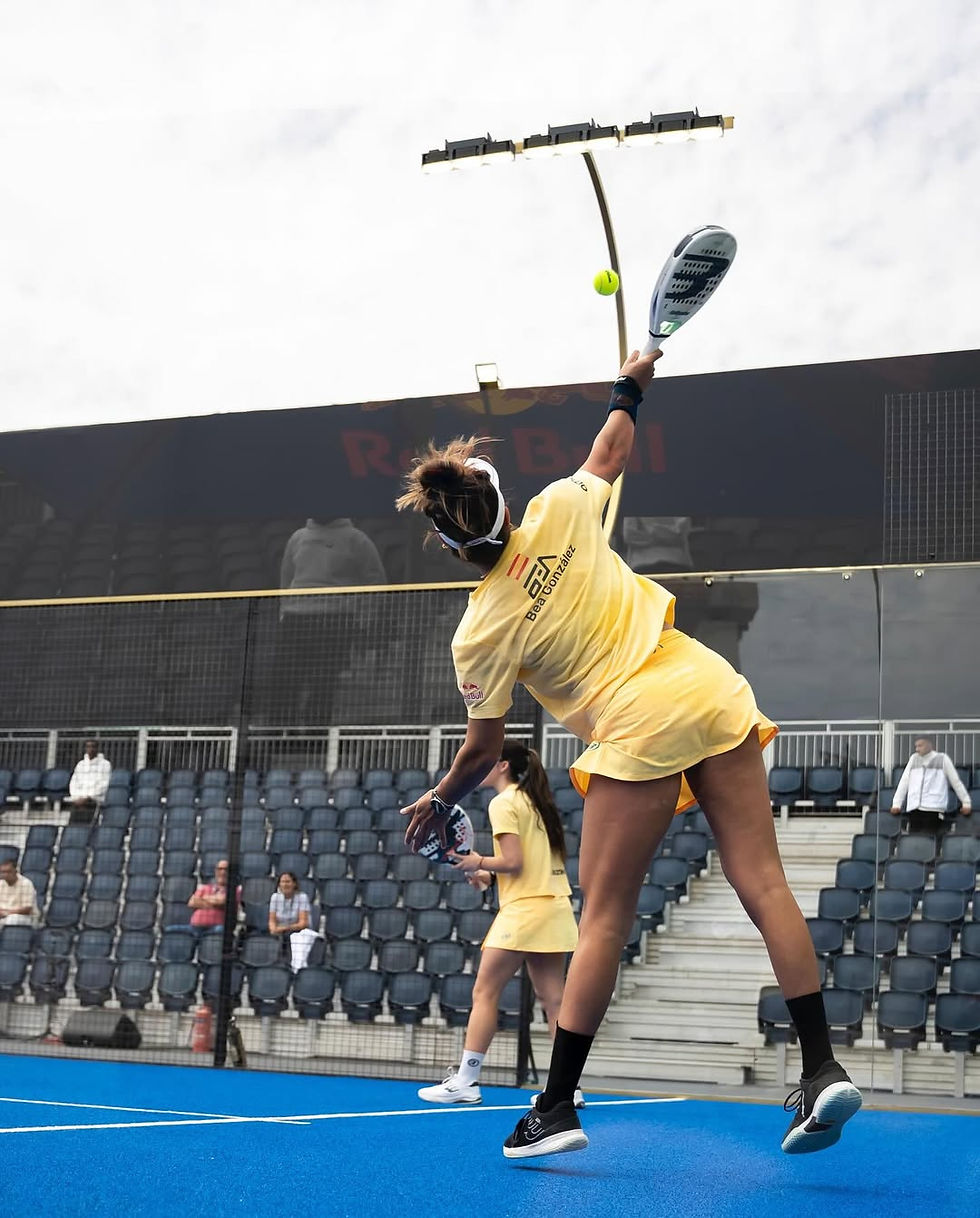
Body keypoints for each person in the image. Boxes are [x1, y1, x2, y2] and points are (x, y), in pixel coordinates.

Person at [396, 347, 861, 1160]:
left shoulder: (480, 632)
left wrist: (439, 800)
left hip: (638, 720)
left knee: (605, 913)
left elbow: (483, 750)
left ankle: (557, 1106)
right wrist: (630, 384)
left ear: (446, 545)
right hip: (708, 682)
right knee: (766, 882)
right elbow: (609, 449)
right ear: (502, 501)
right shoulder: (561, 508)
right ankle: (821, 1066)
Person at [417, 739, 582, 1107]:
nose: (479, 769)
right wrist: (482, 873)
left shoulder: (503, 802)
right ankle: (568, 1088)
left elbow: (513, 862)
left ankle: (467, 1081)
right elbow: (524, 864)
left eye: (487, 762)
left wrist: (477, 861)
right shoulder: (538, 803)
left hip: (524, 911)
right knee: (554, 1001)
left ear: (503, 765)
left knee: (484, 993)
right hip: (554, 906)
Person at [890, 736, 971, 835]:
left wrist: (966, 802)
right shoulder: (914, 758)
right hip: (915, 808)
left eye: (920, 745)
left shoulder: (942, 759)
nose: (917, 749)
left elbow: (956, 782)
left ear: (930, 745)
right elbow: (904, 782)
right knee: (914, 841)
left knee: (930, 840)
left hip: (934, 808)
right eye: (916, 746)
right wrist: (896, 804)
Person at [268, 870, 319, 971]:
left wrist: (284, 928)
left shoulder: (302, 897)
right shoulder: (275, 897)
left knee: (289, 937)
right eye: (282, 882)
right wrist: (273, 929)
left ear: (294, 884)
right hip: (280, 931)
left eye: (288, 882)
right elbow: (272, 921)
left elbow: (303, 923)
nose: (285, 884)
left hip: (298, 932)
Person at [187, 859, 239, 936]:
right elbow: (191, 902)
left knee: (220, 931)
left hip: (216, 927)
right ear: (215, 871)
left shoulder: (235, 890)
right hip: (195, 926)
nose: (223, 872)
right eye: (220, 869)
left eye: (226, 869)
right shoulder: (204, 887)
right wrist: (215, 903)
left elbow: (223, 901)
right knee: (171, 930)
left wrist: (202, 900)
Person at [67, 739, 112, 824]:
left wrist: (88, 797)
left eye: (93, 746)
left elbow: (104, 785)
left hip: (94, 801)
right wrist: (77, 797)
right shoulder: (80, 764)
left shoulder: (105, 764)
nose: (91, 749)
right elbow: (73, 783)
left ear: (97, 748)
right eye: (88, 746)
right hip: (78, 801)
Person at [0, 858, 38, 927]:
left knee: (11, 920)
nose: (5, 875)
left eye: (8, 872)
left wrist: (7, 913)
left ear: (15, 871)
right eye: (3, 872)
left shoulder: (26, 883)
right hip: (3, 915)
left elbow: (27, 909)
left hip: (24, 917)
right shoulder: (1, 884)